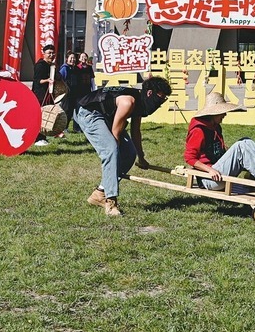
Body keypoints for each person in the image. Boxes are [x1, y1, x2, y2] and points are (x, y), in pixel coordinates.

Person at [76, 76, 172, 216]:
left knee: (129, 154)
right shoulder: (128, 102)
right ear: (150, 93)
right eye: (160, 99)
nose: (159, 104)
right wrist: (113, 152)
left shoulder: (139, 101)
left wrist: (141, 156)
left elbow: (135, 131)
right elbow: (115, 134)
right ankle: (110, 202)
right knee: (111, 150)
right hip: (88, 112)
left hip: (106, 115)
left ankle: (100, 193)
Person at [185, 91, 255, 190]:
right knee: (240, 146)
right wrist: (210, 170)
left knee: (246, 141)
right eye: (222, 112)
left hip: (218, 172)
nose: (225, 115)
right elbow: (189, 158)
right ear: (213, 113)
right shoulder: (199, 130)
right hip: (210, 179)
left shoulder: (215, 127)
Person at [32, 44, 58, 146]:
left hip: (48, 94)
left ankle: (43, 137)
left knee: (47, 117)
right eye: (49, 53)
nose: (51, 55)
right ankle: (38, 138)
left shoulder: (51, 65)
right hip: (40, 95)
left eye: (53, 53)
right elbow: (37, 81)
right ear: (44, 54)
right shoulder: (40, 65)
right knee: (40, 117)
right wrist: (47, 80)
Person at [59, 52, 79, 131]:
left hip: (73, 93)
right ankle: (62, 128)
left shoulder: (74, 68)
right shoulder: (65, 68)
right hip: (66, 93)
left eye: (74, 58)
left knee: (70, 111)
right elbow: (61, 79)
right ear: (67, 59)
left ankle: (66, 127)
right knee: (66, 110)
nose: (73, 60)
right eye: (71, 58)